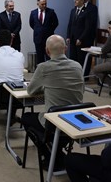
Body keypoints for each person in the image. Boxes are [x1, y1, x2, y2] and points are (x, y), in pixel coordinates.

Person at [21, 35, 84, 170]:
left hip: (55, 124)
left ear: (47, 51)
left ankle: (51, 155)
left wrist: (46, 87)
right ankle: (58, 150)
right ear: (65, 49)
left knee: (26, 118)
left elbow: (31, 91)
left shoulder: (43, 68)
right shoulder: (77, 66)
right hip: (76, 121)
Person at [66, 0, 94, 72]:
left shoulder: (87, 12)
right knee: (73, 58)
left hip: (82, 40)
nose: (75, 1)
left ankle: (83, 75)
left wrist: (81, 38)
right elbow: (70, 24)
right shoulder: (73, 10)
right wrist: (68, 36)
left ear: (82, 1)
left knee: (81, 58)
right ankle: (74, 74)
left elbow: (87, 27)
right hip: (73, 38)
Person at [29, 0, 59, 65]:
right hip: (38, 38)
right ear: (38, 3)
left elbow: (55, 23)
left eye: (45, 4)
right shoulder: (33, 13)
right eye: (42, 4)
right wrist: (39, 30)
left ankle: (50, 72)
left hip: (48, 38)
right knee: (40, 57)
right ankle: (41, 73)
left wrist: (49, 30)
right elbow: (31, 24)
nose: (44, 5)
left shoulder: (51, 11)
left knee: (49, 56)